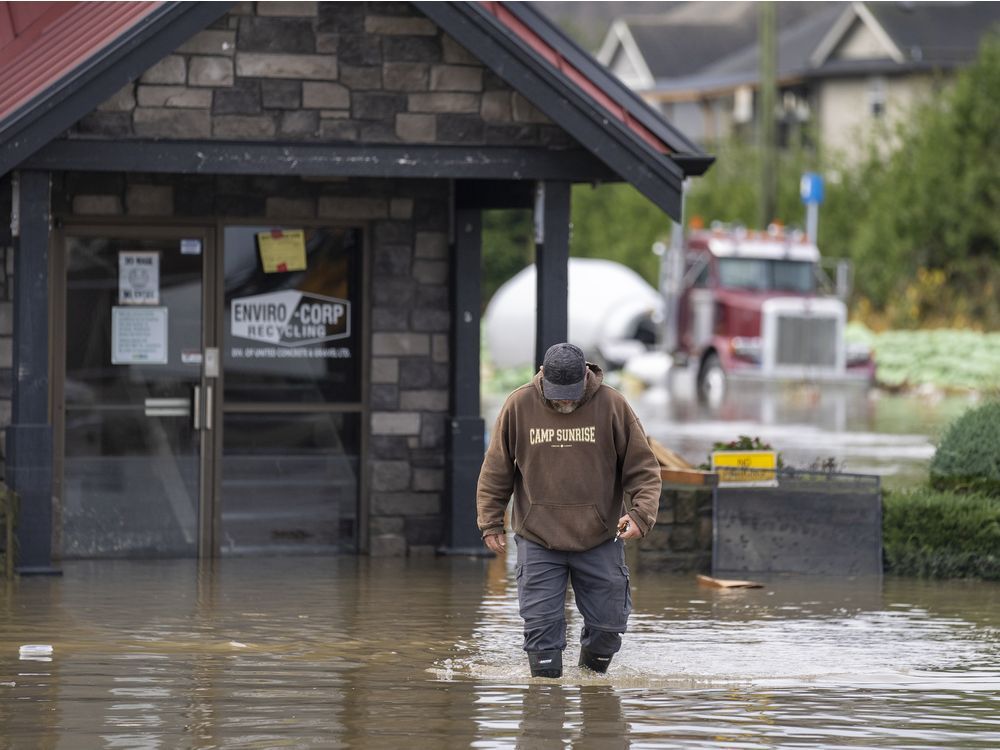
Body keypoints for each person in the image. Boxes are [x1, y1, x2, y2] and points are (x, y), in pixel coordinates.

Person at [477, 342, 662, 678]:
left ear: (585, 379)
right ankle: (545, 712)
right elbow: (496, 470)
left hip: (601, 537)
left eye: (572, 393)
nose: (565, 400)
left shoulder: (613, 405)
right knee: (542, 636)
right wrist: (490, 523)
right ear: (543, 378)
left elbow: (644, 470)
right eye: (557, 393)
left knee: (608, 629)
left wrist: (639, 515)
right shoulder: (519, 405)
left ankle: (593, 699)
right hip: (537, 538)